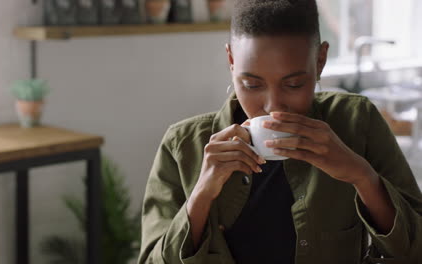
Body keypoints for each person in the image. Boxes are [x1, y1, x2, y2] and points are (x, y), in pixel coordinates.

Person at [138, 0, 422, 263]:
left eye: (294, 84)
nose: (272, 106)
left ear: (320, 60)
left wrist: (361, 176)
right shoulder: (182, 144)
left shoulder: (357, 122)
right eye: (251, 84)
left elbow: (415, 248)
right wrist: (201, 195)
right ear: (231, 61)